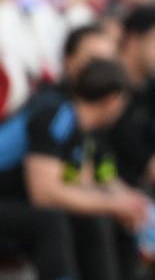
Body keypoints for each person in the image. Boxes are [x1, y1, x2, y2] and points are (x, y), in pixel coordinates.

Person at [0, 58, 147, 280]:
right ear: (114, 100)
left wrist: (129, 204)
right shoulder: (56, 115)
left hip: (13, 204)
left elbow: (85, 185)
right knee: (50, 221)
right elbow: (45, 194)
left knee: (99, 217)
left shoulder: (82, 132)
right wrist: (113, 203)